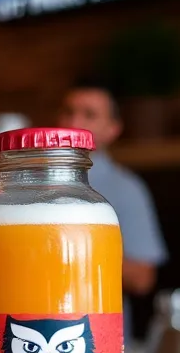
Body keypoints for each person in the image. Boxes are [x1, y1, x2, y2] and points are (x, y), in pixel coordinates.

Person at [58, 78, 168, 298]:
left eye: (89, 115)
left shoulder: (126, 188)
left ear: (112, 129)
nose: (74, 122)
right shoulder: (31, 181)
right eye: (69, 112)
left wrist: (71, 253)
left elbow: (142, 277)